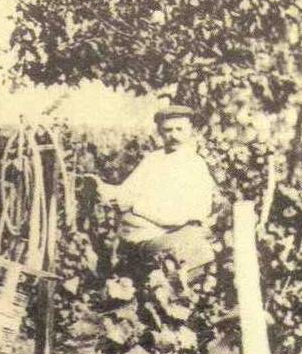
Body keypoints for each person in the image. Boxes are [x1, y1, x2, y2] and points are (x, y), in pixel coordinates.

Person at [88, 105, 218, 280]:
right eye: (168, 130)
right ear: (160, 132)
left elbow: (183, 214)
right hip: (139, 233)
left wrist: (136, 207)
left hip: (169, 234)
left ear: (191, 130)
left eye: (180, 129)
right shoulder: (153, 159)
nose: (174, 135)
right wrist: (106, 190)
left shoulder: (194, 165)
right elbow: (127, 190)